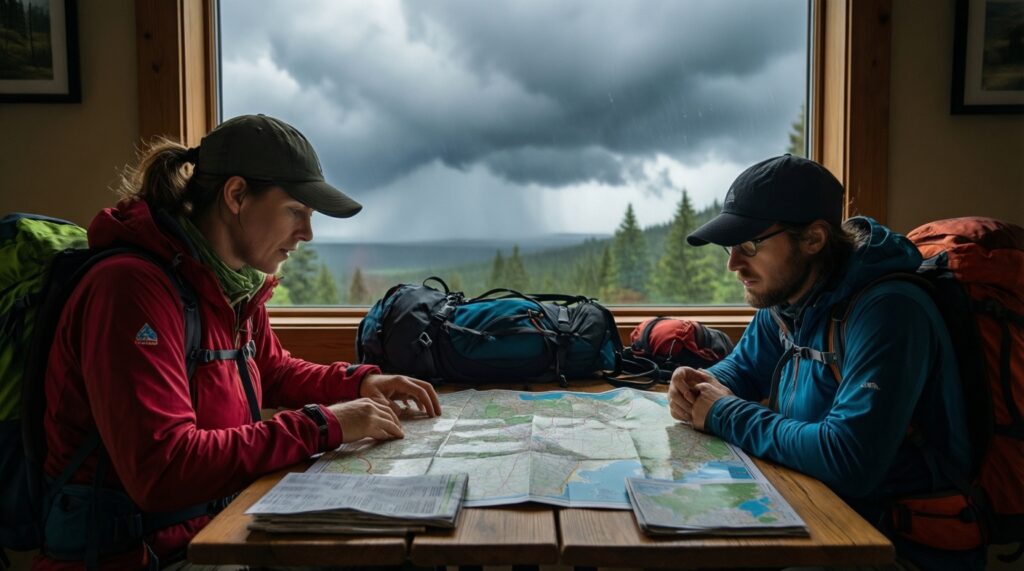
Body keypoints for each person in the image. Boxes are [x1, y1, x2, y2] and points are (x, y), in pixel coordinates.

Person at [35, 114, 441, 570]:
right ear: (236, 195)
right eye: (296, 212)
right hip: (143, 557)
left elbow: (271, 372)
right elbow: (163, 470)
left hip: (214, 531)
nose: (307, 234)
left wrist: (361, 383)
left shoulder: (230, 284)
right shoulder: (130, 290)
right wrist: (325, 425)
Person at [667, 155, 985, 571]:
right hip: (822, 513)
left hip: (899, 545)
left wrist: (724, 413)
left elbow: (848, 459)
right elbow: (742, 370)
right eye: (731, 247)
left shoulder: (890, 312)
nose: (733, 265)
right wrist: (699, 382)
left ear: (814, 239)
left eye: (749, 246)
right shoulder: (788, 298)